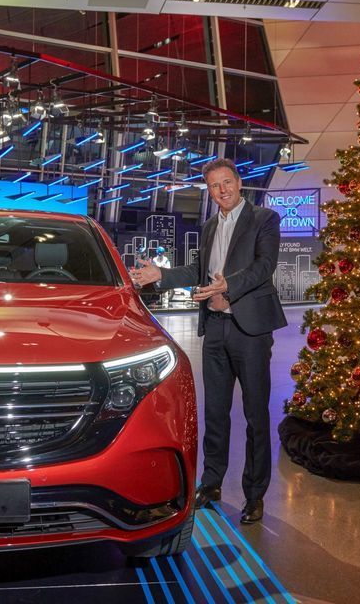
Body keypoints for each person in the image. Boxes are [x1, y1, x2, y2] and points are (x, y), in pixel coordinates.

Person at [130, 158, 287, 524]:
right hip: (215, 328)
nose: (222, 190)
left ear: (239, 182)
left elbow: (264, 266)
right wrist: (161, 275)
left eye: (227, 182)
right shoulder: (210, 226)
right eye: (215, 186)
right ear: (210, 191)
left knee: (255, 415)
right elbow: (198, 271)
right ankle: (212, 482)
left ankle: (254, 495)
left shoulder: (264, 219)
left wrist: (228, 286)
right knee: (215, 412)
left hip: (250, 330)